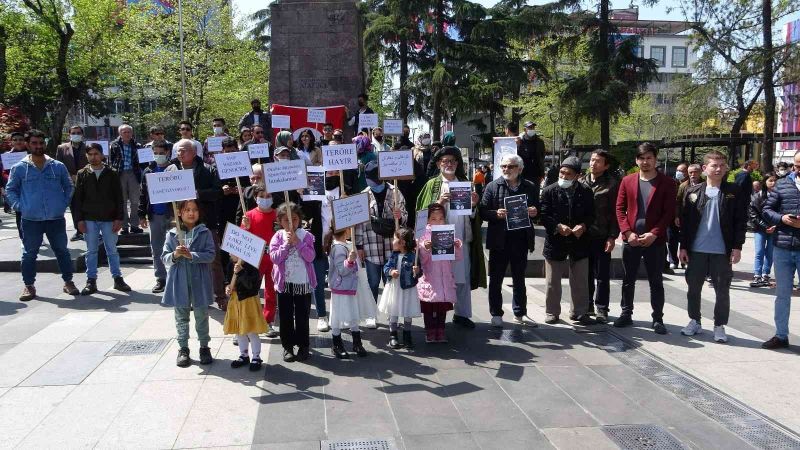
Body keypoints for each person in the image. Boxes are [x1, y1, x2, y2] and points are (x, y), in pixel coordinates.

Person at [679, 150, 747, 343]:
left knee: (722, 290)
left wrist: (737, 246)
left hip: (721, 251)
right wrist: (683, 247)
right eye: (714, 165)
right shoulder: (692, 191)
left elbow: (740, 221)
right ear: (704, 168)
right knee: (693, 288)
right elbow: (685, 223)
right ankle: (695, 320)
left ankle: (719, 325)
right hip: (696, 250)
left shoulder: (734, 191)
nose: (718, 169)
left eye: (721, 165)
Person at [418, 146, 487, 328]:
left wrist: (473, 205)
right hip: (437, 241)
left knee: (461, 278)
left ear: (457, 164)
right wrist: (439, 202)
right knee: (437, 279)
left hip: (460, 240)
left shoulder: (465, 184)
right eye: (445, 161)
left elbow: (473, 217)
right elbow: (421, 214)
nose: (449, 164)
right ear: (439, 164)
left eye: (452, 161)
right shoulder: (432, 185)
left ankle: (462, 314)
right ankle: (435, 317)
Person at [6, 129, 79, 301]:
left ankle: (68, 282)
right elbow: (10, 190)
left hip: (55, 218)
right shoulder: (19, 168)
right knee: (29, 253)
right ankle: (29, 285)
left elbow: (69, 187)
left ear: (45, 144)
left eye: (41, 143)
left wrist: (63, 204)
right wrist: (19, 206)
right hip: (31, 219)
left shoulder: (57, 166)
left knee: (62, 251)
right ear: (27, 144)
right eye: (34, 143)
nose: (38, 146)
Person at [614, 142, 676, 334]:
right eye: (642, 158)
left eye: (649, 158)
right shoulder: (628, 181)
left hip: (654, 241)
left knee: (656, 280)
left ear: (655, 160)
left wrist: (655, 233)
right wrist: (627, 232)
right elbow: (619, 209)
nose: (646, 161)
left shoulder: (667, 183)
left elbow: (669, 213)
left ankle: (657, 318)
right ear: (636, 160)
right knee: (628, 279)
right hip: (631, 239)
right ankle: (626, 313)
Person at [479, 153, 538, 327]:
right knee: (496, 279)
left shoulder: (529, 187)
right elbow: (482, 211)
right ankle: (496, 314)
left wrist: (535, 211)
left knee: (519, 279)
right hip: (499, 240)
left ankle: (520, 313)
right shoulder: (492, 186)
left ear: (519, 169)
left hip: (521, 239)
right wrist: (494, 214)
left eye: (510, 166)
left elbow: (539, 209)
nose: (506, 169)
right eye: (503, 166)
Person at [170, 139, 226, 310]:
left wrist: (198, 194)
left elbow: (218, 192)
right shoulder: (170, 170)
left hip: (205, 222)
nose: (180, 154)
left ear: (194, 153)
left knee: (213, 260)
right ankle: (191, 297)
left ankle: (220, 295)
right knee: (185, 260)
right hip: (182, 225)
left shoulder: (208, 169)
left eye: (184, 150)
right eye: (178, 151)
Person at [540, 156, 595, 325]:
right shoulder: (549, 190)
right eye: (562, 172)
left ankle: (579, 312)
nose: (563, 176)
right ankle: (552, 312)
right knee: (552, 281)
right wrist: (557, 227)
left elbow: (592, 215)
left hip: (579, 241)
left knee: (580, 280)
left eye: (568, 173)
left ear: (577, 176)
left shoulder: (585, 191)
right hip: (556, 241)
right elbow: (544, 215)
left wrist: (583, 226)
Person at [162, 199, 216, 367]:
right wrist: (175, 255)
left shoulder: (204, 232)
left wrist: (192, 255)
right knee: (181, 316)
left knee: (201, 315)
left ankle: (204, 346)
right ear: (180, 213)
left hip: (199, 280)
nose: (191, 213)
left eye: (194, 210)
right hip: (179, 281)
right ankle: (183, 348)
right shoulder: (172, 234)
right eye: (187, 210)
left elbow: (211, 255)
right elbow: (164, 258)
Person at [354, 160, 407, 328]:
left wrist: (400, 216)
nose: (374, 185)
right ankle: (371, 314)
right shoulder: (364, 195)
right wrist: (359, 246)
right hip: (371, 245)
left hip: (392, 245)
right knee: (373, 282)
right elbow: (359, 223)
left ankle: (393, 315)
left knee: (392, 282)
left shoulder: (395, 191)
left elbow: (405, 218)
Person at [73, 143, 130, 294]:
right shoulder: (82, 173)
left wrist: (119, 218)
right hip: (89, 218)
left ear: (102, 155)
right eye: (90, 154)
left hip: (109, 218)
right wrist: (78, 220)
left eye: (96, 154)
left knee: (112, 249)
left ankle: (117, 278)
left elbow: (119, 197)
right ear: (86, 156)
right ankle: (91, 280)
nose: (93, 157)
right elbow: (77, 199)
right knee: (91, 251)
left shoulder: (112, 173)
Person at [761, 150, 800, 350]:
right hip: (783, 246)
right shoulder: (782, 184)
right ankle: (781, 335)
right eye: (797, 165)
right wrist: (781, 219)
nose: (798, 169)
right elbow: (767, 209)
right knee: (782, 294)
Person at [270, 202, 316, 362]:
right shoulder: (277, 236)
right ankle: (287, 346)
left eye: (294, 219)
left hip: (302, 285)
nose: (291, 223)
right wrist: (286, 245)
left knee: (302, 316)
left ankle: (303, 346)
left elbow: (311, 257)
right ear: (280, 222)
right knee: (285, 316)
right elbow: (274, 258)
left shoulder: (307, 236)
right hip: (284, 285)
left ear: (299, 220)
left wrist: (298, 242)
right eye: (286, 220)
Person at [581, 150, 619, 323]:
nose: (593, 163)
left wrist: (612, 236)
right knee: (585, 273)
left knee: (602, 275)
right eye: (592, 160)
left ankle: (602, 308)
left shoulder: (612, 185)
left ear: (606, 165)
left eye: (598, 161)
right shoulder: (581, 181)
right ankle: (586, 305)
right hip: (583, 236)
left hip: (602, 236)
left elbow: (616, 213)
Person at [417, 203, 463, 343]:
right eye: (433, 219)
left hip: (445, 277)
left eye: (441, 218)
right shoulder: (423, 233)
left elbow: (457, 257)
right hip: (430, 277)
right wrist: (425, 247)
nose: (437, 221)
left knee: (442, 307)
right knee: (429, 308)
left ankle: (441, 331)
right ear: (427, 220)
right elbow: (421, 257)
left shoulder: (448, 232)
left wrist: (457, 245)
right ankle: (430, 331)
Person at [242, 185, 279, 337]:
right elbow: (242, 239)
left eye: (268, 196)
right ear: (256, 197)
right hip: (254, 259)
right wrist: (246, 227)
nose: (265, 199)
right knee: (251, 291)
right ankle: (248, 324)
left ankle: (267, 321)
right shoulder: (249, 215)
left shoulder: (278, 215)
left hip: (273, 259)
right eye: (261, 196)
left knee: (271, 292)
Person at [325, 227, 368, 358]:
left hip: (349, 287)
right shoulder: (338, 248)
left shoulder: (345, 245)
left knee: (353, 313)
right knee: (337, 315)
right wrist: (349, 261)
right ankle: (337, 344)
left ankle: (357, 342)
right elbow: (342, 270)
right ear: (346, 231)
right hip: (341, 288)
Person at [138, 140, 173, 293]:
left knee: (174, 248)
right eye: (156, 153)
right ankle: (161, 278)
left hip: (172, 215)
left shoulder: (174, 169)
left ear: (167, 153)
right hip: (154, 215)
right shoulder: (148, 171)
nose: (158, 156)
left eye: (161, 153)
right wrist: (141, 214)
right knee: (156, 248)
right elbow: (142, 194)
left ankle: (174, 278)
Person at [223, 255, 269, 371]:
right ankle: (244, 355)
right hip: (236, 302)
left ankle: (256, 356)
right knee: (239, 331)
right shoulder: (230, 264)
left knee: (251, 331)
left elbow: (251, 286)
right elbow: (228, 280)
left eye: (231, 252)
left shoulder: (252, 266)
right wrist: (228, 286)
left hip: (248, 302)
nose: (229, 254)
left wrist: (241, 272)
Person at [379, 228, 422, 349]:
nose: (393, 241)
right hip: (395, 287)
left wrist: (417, 271)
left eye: (395, 239)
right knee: (394, 309)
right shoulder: (393, 256)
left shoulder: (413, 256)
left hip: (408, 288)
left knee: (407, 312)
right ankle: (393, 335)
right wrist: (391, 271)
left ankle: (407, 335)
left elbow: (419, 273)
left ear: (402, 242)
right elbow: (386, 268)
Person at [217, 137, 251, 285]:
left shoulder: (244, 165)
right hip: (224, 212)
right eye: (227, 151)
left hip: (240, 212)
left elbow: (251, 187)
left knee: (241, 245)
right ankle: (227, 278)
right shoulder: (216, 167)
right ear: (222, 152)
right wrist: (221, 190)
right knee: (225, 247)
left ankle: (243, 276)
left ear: (237, 150)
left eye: (233, 151)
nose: (230, 154)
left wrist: (243, 190)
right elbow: (214, 189)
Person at [55, 125, 89, 241]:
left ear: (82, 134)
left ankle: (89, 230)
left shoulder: (88, 147)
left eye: (78, 133)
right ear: (69, 134)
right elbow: (58, 166)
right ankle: (78, 231)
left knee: (88, 207)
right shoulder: (61, 148)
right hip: (69, 182)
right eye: (73, 133)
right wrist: (70, 176)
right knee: (74, 207)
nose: (76, 135)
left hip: (87, 181)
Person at [108, 124, 144, 234]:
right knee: (121, 201)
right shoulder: (113, 145)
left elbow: (143, 161)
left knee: (135, 201)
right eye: (124, 132)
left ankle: (134, 225)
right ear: (120, 133)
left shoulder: (138, 146)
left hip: (134, 174)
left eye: (129, 132)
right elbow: (110, 161)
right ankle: (124, 226)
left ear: (132, 133)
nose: (127, 134)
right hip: (119, 174)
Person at [749, 173, 777, 287]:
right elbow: (753, 214)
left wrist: (775, 226)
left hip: (774, 228)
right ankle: (757, 275)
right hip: (760, 228)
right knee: (759, 252)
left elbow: (781, 213)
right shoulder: (758, 196)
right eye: (770, 180)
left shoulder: (779, 196)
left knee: (770, 253)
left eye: (775, 180)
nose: (773, 183)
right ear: (765, 182)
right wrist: (765, 226)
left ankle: (766, 274)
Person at [1, 131, 28, 239]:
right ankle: (23, 237)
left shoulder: (31, 154)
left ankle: (37, 236)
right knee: (19, 213)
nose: (18, 142)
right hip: (15, 189)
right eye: (15, 140)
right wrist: (2, 188)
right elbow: (2, 173)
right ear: (11, 142)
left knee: (33, 213)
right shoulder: (6, 157)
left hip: (30, 187)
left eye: (20, 139)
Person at [666, 162, 689, 271]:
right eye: (678, 170)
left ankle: (685, 260)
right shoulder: (671, 182)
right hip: (672, 216)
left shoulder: (692, 183)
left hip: (687, 216)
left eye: (682, 171)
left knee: (686, 239)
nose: (679, 173)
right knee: (672, 239)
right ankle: (673, 261)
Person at [518, 121, 546, 185]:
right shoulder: (520, 142)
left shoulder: (540, 142)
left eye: (533, 127)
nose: (532, 129)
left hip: (536, 175)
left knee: (535, 193)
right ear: (525, 129)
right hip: (523, 174)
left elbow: (542, 157)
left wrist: (542, 173)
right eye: (530, 127)